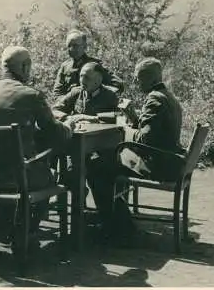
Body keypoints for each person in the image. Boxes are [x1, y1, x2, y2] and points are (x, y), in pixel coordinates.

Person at [0, 45, 73, 247]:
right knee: (49, 177)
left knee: (17, 167)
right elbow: (54, 132)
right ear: (25, 67)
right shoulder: (31, 95)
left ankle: (5, 230)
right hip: (18, 175)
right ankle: (26, 231)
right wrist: (68, 127)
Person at [52, 61, 121, 238]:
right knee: (71, 172)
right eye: (81, 75)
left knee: (98, 174)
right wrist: (69, 117)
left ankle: (105, 222)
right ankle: (77, 218)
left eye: (87, 77)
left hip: (102, 149)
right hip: (78, 147)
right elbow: (55, 109)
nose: (82, 79)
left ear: (98, 79)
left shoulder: (109, 95)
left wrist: (91, 118)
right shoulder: (76, 92)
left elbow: (116, 117)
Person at [118, 57, 185, 185]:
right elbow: (155, 132)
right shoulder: (167, 95)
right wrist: (134, 118)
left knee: (106, 163)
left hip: (159, 168)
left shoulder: (154, 98)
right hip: (171, 162)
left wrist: (126, 130)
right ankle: (118, 203)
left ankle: (116, 205)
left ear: (150, 79)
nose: (136, 83)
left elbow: (145, 141)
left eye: (138, 78)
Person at [53, 29, 125, 99]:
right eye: (69, 46)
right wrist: (67, 102)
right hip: (68, 108)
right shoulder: (65, 66)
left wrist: (97, 95)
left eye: (75, 45)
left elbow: (118, 84)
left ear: (84, 46)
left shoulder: (95, 64)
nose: (71, 49)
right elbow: (57, 93)